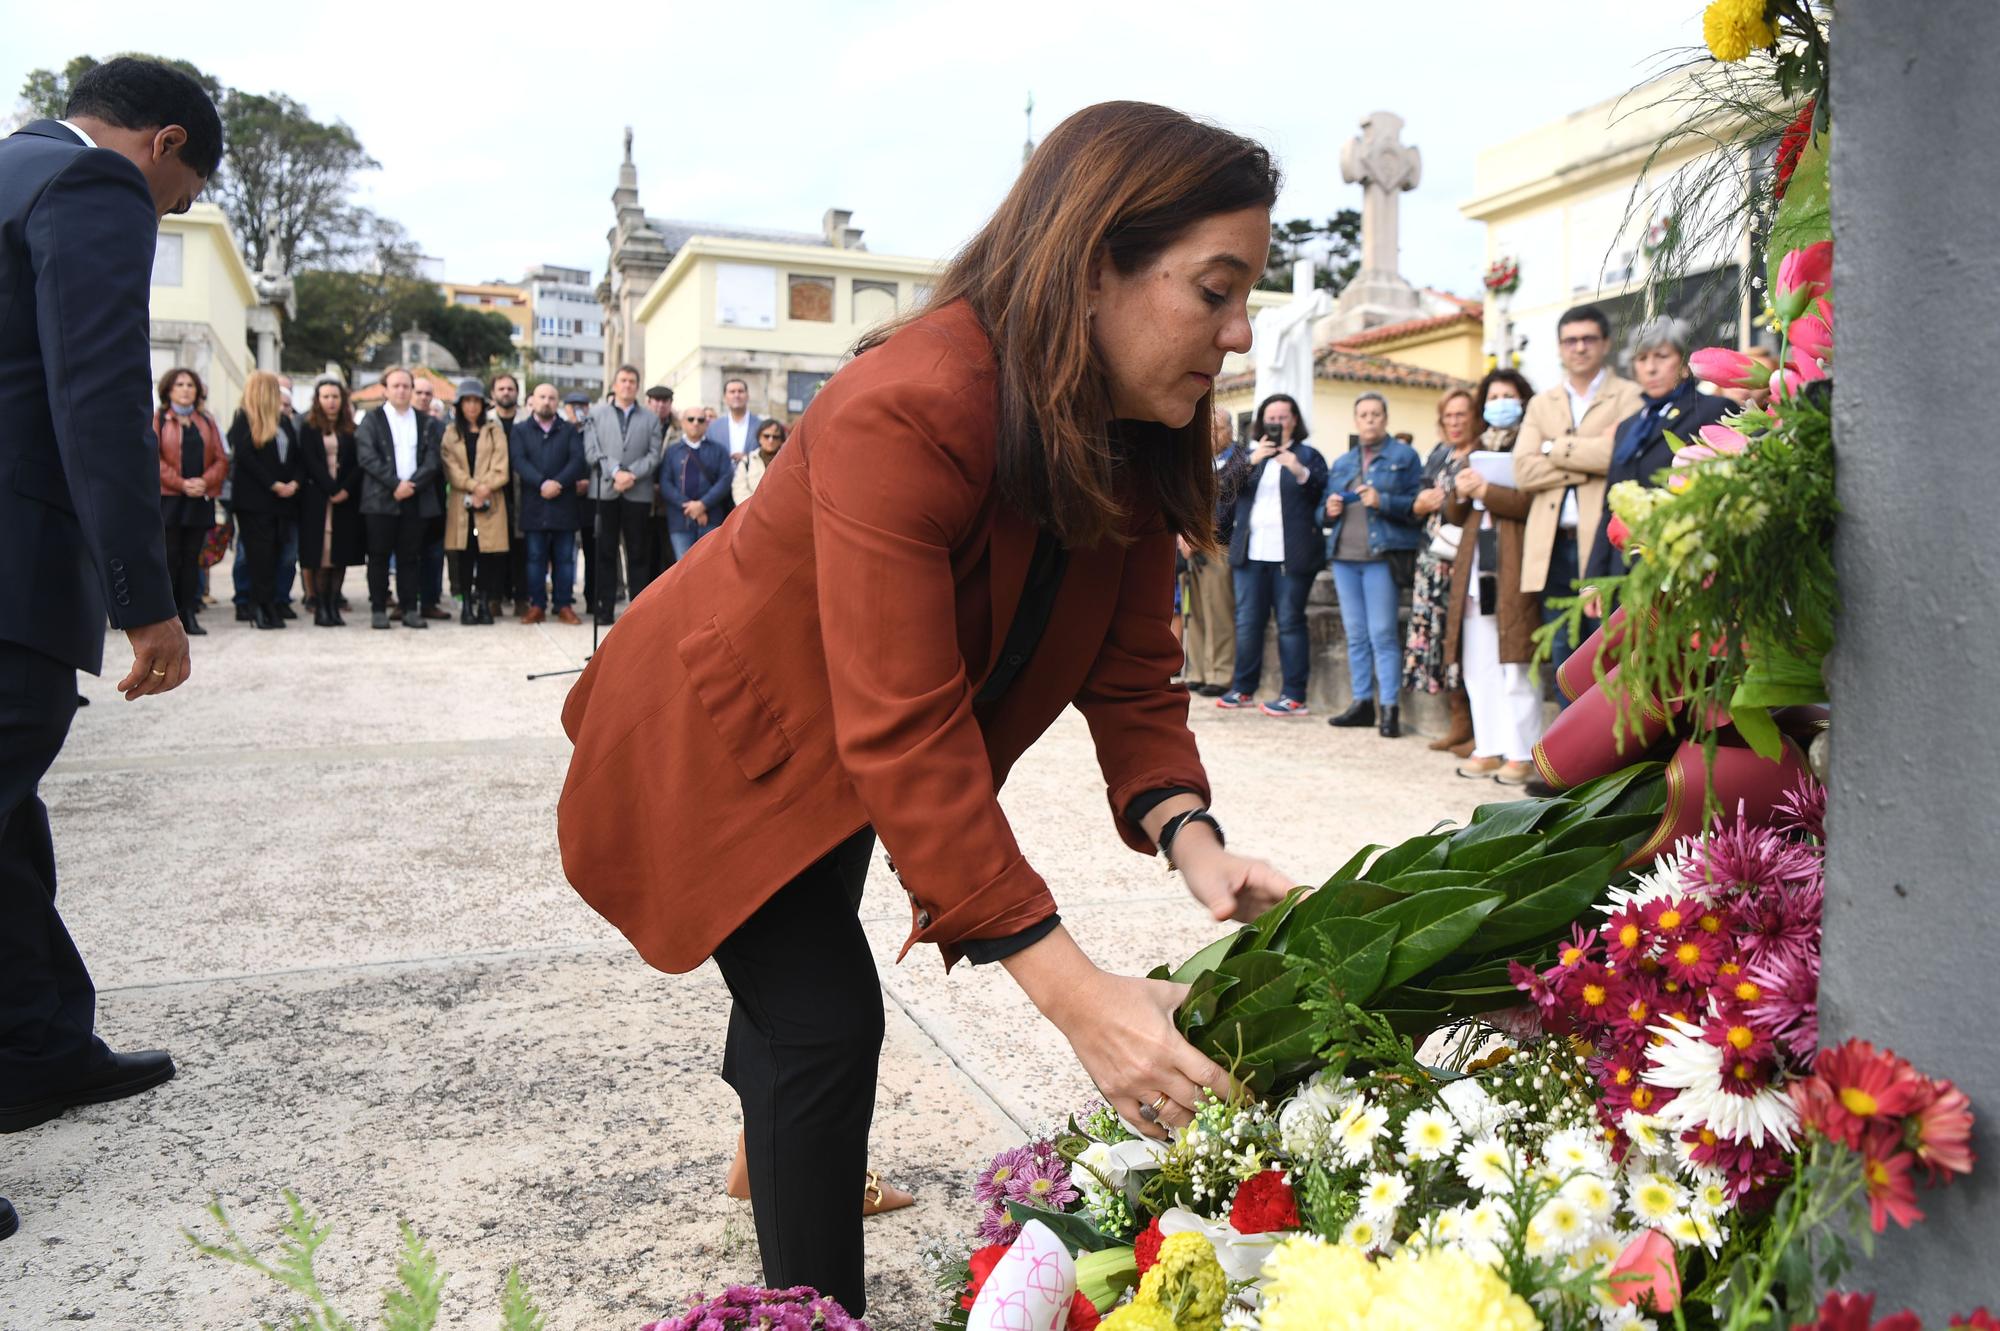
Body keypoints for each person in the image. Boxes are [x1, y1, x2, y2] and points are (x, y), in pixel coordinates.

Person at [556, 101, 1292, 1312]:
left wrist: (1189, 839)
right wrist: (1079, 1000)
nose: (1239, 333)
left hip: (843, 756)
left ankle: (771, 1147)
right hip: (721, 739)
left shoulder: (1132, 425)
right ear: (1095, 260)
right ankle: (807, 1305)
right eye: (1213, 290)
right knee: (824, 1020)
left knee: (801, 994)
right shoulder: (908, 403)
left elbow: (1129, 668)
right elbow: (904, 727)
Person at [0, 57, 219, 1159]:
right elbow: (96, 397)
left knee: (10, 823)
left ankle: (35, 1048)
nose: (162, 215)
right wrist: (149, 601)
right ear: (163, 144)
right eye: (175, 203)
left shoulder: (9, 168)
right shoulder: (91, 187)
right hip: (12, 568)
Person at [1510, 304, 1641, 674]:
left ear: (1604, 344)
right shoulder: (1541, 403)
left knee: (1608, 649)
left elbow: (1621, 458)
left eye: (1588, 339)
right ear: (1559, 347)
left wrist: (1553, 448)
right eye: (1570, 340)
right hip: (1552, 545)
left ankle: (1609, 731)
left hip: (1604, 543)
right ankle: (1568, 732)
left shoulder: (1629, 396)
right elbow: (1523, 470)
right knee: (1563, 655)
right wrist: (1588, 459)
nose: (1579, 347)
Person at [1443, 369, 1542, 784]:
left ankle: (1521, 752)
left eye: (1508, 394)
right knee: (1478, 660)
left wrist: (1489, 493)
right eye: (1493, 395)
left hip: (1515, 562)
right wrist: (1462, 492)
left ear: (1523, 401)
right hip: (1476, 563)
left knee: (1516, 661)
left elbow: (1534, 502)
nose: (1499, 401)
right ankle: (1488, 745)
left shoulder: (1535, 445)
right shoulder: (1477, 448)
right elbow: (1453, 513)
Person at [1584, 317, 1734, 586]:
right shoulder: (1629, 426)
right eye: (1641, 359)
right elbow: (1610, 507)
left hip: (1683, 566)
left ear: (1685, 363)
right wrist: (1594, 579)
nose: (1650, 368)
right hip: (1626, 570)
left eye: (1662, 356)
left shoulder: (1713, 410)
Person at [1214, 393, 1326, 715]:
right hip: (1251, 552)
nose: (1276, 423)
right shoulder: (1249, 456)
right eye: (1271, 418)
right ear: (1262, 422)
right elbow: (1222, 488)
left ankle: (1294, 695)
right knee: (1247, 621)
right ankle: (1243, 688)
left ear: (1294, 421)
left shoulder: (1307, 454)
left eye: (1283, 417)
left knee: (1290, 622)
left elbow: (1320, 487)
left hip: (1292, 555)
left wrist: (1297, 468)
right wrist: (1251, 460)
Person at [1323, 392, 1424, 737]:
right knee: (1355, 634)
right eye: (1363, 414)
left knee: (1382, 634)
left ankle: (1389, 708)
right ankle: (1362, 702)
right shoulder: (1342, 462)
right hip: (1343, 558)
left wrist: (1384, 501)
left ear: (1385, 418)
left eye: (1375, 414)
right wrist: (1328, 510)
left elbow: (1417, 507)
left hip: (1381, 557)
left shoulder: (1405, 456)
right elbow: (1320, 510)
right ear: (1356, 421)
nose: (1369, 420)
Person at [1401, 388, 1482, 755]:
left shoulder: (1482, 455)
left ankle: (1477, 728)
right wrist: (1420, 503)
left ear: (1474, 417)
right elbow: (1416, 500)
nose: (1454, 422)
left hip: (1466, 562)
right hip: (1432, 560)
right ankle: (1457, 721)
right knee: (1438, 642)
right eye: (1448, 416)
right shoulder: (1439, 453)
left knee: (1465, 642)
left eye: (1461, 415)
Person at [357, 367, 443, 630]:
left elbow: (432, 459)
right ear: (385, 389)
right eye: (396, 386)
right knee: (379, 556)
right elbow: (367, 457)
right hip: (381, 499)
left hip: (414, 499)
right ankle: (379, 608)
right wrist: (395, 484)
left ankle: (409, 609)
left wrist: (412, 485)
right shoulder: (372, 420)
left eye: (406, 386)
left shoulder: (425, 422)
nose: (402, 391)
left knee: (410, 557)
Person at [584, 365, 663, 624]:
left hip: (637, 493)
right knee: (605, 552)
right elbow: (592, 451)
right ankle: (605, 608)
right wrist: (615, 472)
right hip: (606, 492)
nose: (627, 385)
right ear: (615, 385)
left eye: (632, 381)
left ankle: (636, 613)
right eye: (623, 381)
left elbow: (654, 455)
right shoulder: (596, 414)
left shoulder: (650, 418)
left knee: (638, 552)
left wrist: (630, 475)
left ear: (637, 386)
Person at [153, 367, 226, 636]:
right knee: (170, 558)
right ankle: (167, 619)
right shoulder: (159, 419)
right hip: (170, 499)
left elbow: (221, 457)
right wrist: (181, 483)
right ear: (169, 389)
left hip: (199, 500)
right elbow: (153, 458)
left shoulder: (206, 422)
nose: (185, 389)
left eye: (190, 385)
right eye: (180, 384)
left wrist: (204, 482)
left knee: (192, 558)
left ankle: (189, 613)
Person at [228, 371, 303, 631]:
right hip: (255, 501)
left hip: (282, 502)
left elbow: (295, 456)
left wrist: (294, 482)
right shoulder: (244, 419)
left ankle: (270, 604)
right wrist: (273, 484)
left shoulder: (283, 420)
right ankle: (258, 607)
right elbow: (246, 458)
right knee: (257, 556)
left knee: (275, 556)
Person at [513, 383, 588, 624]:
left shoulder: (568, 430)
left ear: (558, 403)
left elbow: (577, 461)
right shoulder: (520, 430)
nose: (547, 401)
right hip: (534, 504)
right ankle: (537, 605)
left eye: (552, 397)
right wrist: (541, 483)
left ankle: (563, 604)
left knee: (565, 559)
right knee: (535, 558)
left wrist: (558, 483)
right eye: (542, 397)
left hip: (563, 504)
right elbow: (519, 460)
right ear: (532, 401)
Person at [1179, 406, 1239, 698]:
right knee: (1195, 613)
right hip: (1189, 546)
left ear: (1230, 431)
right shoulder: (1198, 460)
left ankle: (1220, 672)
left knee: (1218, 612)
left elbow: (1229, 507)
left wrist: (1202, 534)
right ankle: (1197, 670)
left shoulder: (1239, 462)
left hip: (1219, 545)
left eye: (1218, 428)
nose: (1212, 434)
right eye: (1209, 429)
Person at [441, 380, 511, 625]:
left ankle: (484, 603)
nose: (472, 406)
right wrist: (473, 487)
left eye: (476, 401)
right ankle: (466, 605)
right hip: (462, 502)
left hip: (491, 501)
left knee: (488, 555)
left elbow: (502, 467)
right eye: (467, 401)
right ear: (460, 405)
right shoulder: (451, 433)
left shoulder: (494, 431)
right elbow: (451, 467)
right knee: (464, 554)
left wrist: (485, 487)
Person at [297, 377, 364, 626]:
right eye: (326, 397)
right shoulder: (308, 427)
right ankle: (321, 605)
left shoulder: (351, 429)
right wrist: (330, 487)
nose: (331, 401)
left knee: (340, 555)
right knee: (321, 556)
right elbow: (310, 461)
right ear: (318, 400)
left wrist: (345, 488)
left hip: (345, 500)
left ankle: (335, 603)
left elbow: (358, 463)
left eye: (335, 397)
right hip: (318, 499)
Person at [661, 407, 732, 560]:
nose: (695, 423)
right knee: (683, 570)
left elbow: (725, 480)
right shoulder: (672, 451)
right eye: (691, 419)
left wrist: (702, 505)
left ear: (706, 423)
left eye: (700, 420)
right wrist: (690, 506)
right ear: (683, 423)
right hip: (680, 521)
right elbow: (665, 483)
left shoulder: (719, 450)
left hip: (711, 518)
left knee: (708, 567)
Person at [411, 376, 449, 618]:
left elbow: (437, 461)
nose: (424, 397)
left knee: (433, 555)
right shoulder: (395, 422)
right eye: (420, 392)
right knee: (406, 555)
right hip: (403, 497)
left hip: (433, 499)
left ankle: (430, 601)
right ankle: (405, 601)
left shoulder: (437, 426)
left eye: (428, 393)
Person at [489, 373, 527, 618]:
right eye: (501, 388)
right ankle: (494, 596)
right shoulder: (485, 421)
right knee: (494, 548)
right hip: (494, 491)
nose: (506, 392)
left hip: (524, 492)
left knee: (521, 549)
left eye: (510, 388)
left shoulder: (527, 420)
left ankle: (521, 597)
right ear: (493, 393)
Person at [563, 391, 599, 609]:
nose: (578, 410)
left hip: (591, 500)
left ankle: (592, 598)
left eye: (582, 405)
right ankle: (564, 598)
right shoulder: (562, 430)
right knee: (565, 554)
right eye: (573, 405)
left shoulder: (593, 431)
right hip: (565, 499)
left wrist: (588, 481)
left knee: (592, 552)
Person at [643, 385, 678, 579]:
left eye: (665, 401)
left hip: (670, 498)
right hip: (643, 494)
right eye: (656, 400)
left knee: (668, 553)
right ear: (648, 402)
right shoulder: (640, 424)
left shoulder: (679, 428)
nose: (660, 405)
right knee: (646, 552)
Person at [732, 418, 787, 506]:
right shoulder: (747, 461)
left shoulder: (788, 462)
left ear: (781, 440)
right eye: (766, 436)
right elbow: (739, 490)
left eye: (775, 437)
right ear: (759, 438)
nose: (771, 440)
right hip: (750, 512)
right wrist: (754, 508)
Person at [714, 376, 764, 461]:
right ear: (725, 398)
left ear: (747, 396)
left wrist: (748, 458)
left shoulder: (761, 425)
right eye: (732, 392)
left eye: (740, 391)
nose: (736, 395)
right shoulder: (714, 427)